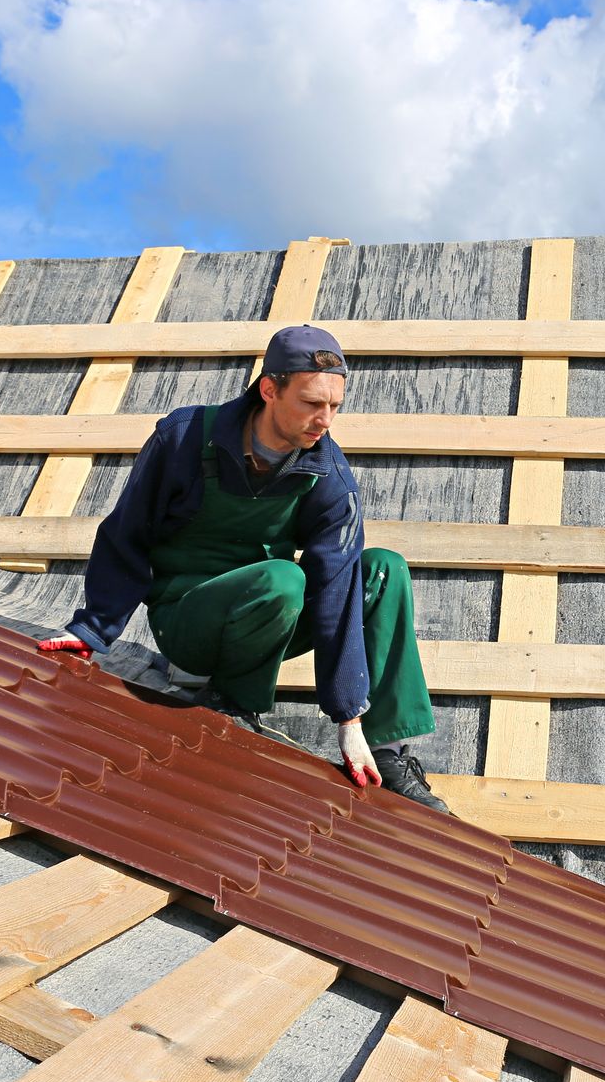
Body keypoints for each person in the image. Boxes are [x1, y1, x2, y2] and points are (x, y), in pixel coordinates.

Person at [37, 324, 447, 812]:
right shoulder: (185, 438)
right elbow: (127, 531)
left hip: (270, 615)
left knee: (383, 568)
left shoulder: (329, 475)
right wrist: (93, 627)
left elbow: (336, 590)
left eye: (335, 406)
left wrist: (348, 718)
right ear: (269, 389)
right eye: (312, 403)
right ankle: (231, 699)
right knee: (283, 577)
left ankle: (388, 750)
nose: (325, 420)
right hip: (187, 619)